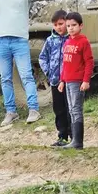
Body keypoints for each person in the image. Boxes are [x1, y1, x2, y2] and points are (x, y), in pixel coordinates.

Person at [57, 11, 95, 150]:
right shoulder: (67, 41)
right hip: (68, 81)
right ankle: (74, 139)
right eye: (68, 26)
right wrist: (62, 80)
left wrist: (86, 80)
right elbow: (65, 63)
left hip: (77, 80)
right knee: (72, 109)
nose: (71, 28)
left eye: (74, 25)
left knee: (76, 109)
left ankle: (78, 141)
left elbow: (89, 62)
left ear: (81, 26)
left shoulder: (83, 41)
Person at [39, 9, 71, 147]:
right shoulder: (50, 41)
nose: (58, 27)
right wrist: (48, 72)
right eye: (55, 24)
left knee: (70, 108)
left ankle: (74, 136)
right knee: (59, 109)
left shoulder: (72, 40)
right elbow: (42, 57)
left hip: (70, 82)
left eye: (61, 23)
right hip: (55, 81)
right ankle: (62, 136)